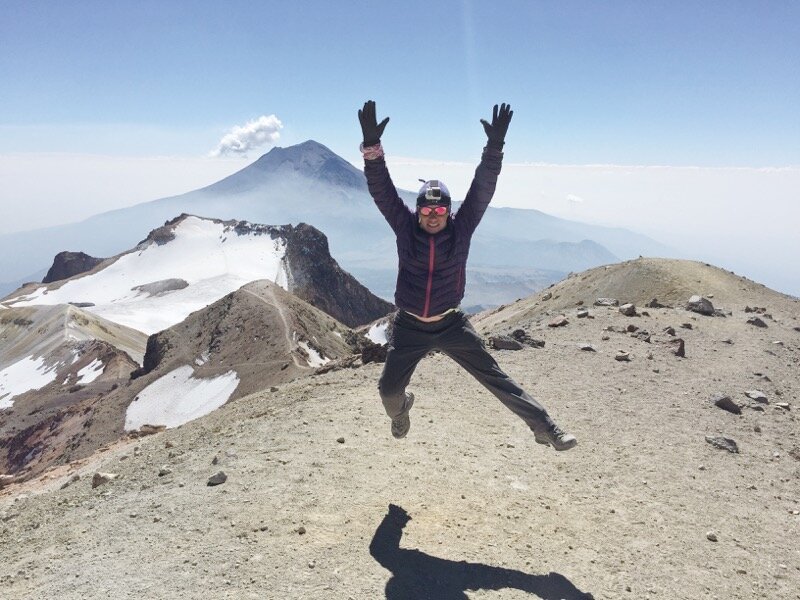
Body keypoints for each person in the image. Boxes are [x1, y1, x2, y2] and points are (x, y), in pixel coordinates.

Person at [358, 100, 576, 451]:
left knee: (496, 378)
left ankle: (546, 427)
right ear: (417, 211)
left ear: (449, 210)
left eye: (440, 208)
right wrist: (372, 147)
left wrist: (494, 148)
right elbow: (381, 190)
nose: (433, 215)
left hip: (451, 324)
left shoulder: (462, 230)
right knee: (388, 392)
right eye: (426, 208)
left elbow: (482, 191)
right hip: (410, 327)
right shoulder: (404, 229)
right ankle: (401, 412)